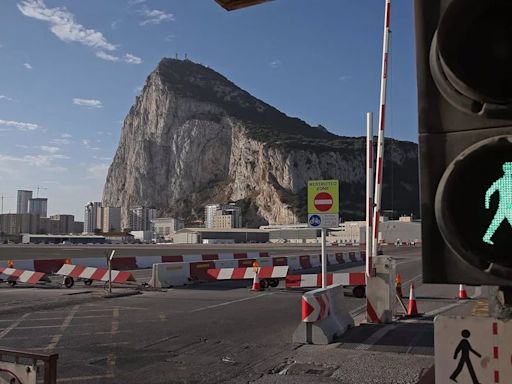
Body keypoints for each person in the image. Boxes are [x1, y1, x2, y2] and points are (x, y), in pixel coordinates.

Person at [483, 162, 512, 245]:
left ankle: (486, 237)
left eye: (510, 169)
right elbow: (488, 192)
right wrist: (487, 204)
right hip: (504, 207)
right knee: (495, 223)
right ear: (505, 170)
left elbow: (488, 192)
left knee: (495, 223)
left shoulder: (500, 181)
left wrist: (487, 204)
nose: (509, 171)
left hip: (507, 207)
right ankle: (486, 237)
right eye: (508, 169)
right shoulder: (500, 181)